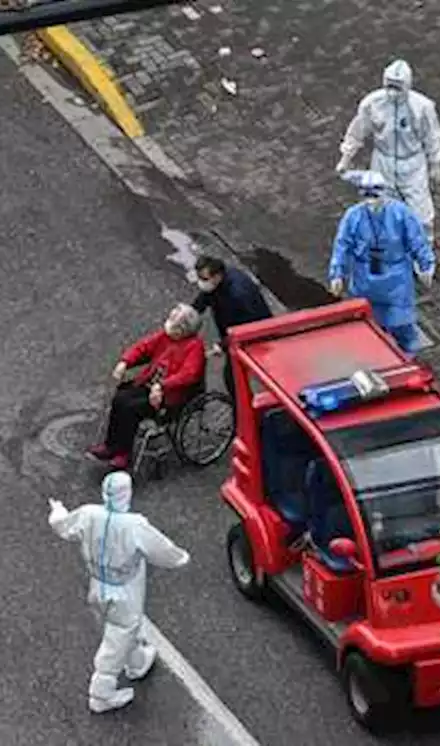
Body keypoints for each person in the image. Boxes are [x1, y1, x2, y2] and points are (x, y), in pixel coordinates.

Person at [48, 471, 191, 713]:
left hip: (97, 585)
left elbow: (63, 525)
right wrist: (181, 558)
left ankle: (136, 661)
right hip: (124, 589)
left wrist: (58, 510)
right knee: (119, 633)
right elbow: (162, 550)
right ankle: (100, 693)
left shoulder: (89, 514)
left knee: (124, 629)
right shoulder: (134, 525)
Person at [335, 59, 440, 246]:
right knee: (380, 207)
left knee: (422, 214)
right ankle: (389, 246)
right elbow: (357, 131)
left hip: (412, 164)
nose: (392, 92)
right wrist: (346, 158)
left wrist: (435, 164)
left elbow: (432, 137)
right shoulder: (372, 103)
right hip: (382, 161)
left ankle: (423, 251)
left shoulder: (422, 108)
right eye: (389, 86)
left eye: (398, 87)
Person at [328, 170, 436, 355]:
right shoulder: (353, 216)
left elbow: (417, 240)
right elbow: (342, 245)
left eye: (375, 195)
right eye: (367, 195)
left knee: (402, 324)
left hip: (396, 278)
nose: (371, 201)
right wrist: (337, 273)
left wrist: (426, 265)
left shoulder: (400, 213)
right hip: (365, 278)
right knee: (369, 325)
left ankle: (408, 357)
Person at [88, 304, 206, 469]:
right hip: (150, 385)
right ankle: (111, 445)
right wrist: (125, 361)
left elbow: (189, 374)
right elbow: (143, 347)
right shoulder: (165, 337)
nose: (168, 324)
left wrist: (162, 385)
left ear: (183, 330)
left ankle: (124, 453)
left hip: (173, 397)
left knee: (131, 409)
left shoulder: (195, 347)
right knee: (120, 398)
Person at [191, 255, 272, 400]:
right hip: (236, 330)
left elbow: (244, 327)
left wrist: (223, 345)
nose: (201, 283)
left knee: (234, 377)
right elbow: (205, 298)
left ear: (217, 276)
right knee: (234, 378)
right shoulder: (218, 283)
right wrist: (190, 313)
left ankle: (243, 411)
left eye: (204, 279)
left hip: (255, 335)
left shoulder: (238, 295)